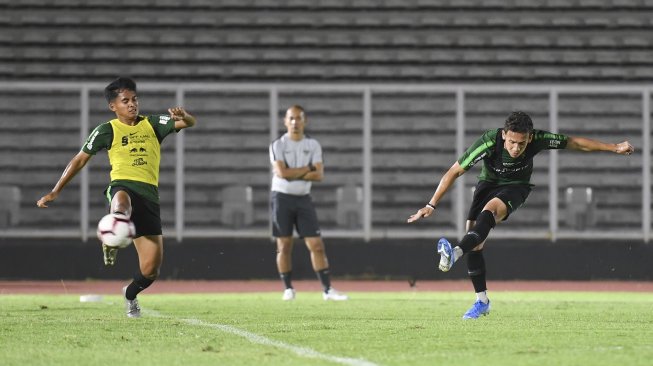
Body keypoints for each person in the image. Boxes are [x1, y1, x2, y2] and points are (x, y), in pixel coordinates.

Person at [407, 111, 634, 319]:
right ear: (504, 135)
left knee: (490, 211)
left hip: (516, 187)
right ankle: (482, 301)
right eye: (512, 142)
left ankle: (455, 254)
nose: (516, 148)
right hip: (487, 185)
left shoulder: (538, 139)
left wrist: (613, 147)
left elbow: (573, 142)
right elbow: (454, 171)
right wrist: (431, 204)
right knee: (475, 241)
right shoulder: (488, 141)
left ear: (530, 139)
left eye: (522, 143)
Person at [37, 77, 197, 318]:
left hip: (149, 197)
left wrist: (184, 115)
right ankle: (113, 232)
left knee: (151, 271)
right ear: (113, 106)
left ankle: (130, 295)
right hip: (123, 186)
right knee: (121, 200)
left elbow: (188, 123)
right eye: (125, 101)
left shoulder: (153, 123)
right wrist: (56, 190)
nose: (132, 104)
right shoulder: (106, 130)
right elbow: (80, 159)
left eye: (134, 99)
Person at [269, 105, 348, 301]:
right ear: (285, 121)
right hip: (281, 197)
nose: (295, 122)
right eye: (292, 118)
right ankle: (288, 288)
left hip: (303, 198)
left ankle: (327, 290)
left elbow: (319, 175)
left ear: (305, 121)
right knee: (284, 245)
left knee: (317, 245)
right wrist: (308, 169)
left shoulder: (313, 145)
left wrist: (295, 172)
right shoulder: (277, 145)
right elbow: (282, 174)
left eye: (299, 118)